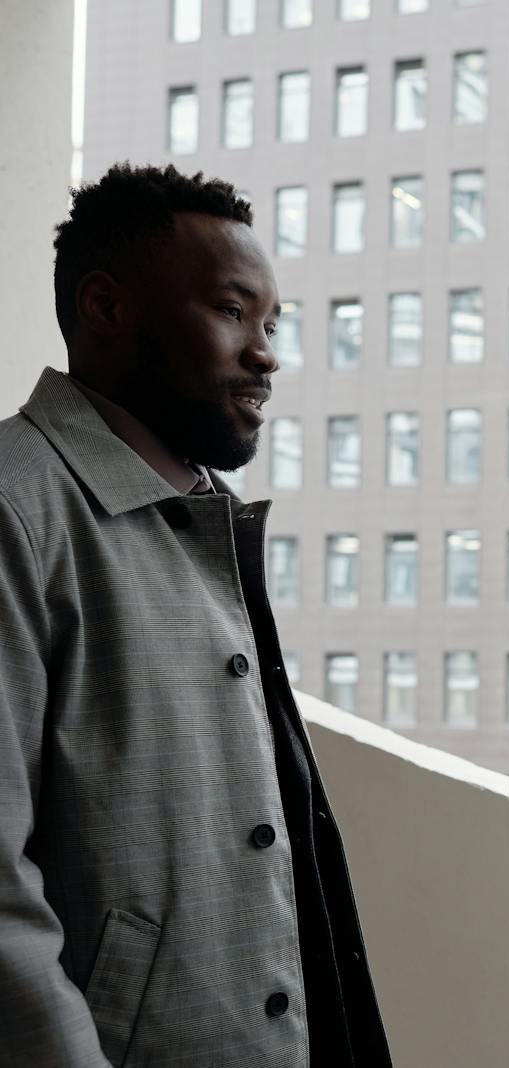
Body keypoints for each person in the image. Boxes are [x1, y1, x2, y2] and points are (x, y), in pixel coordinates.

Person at [0, 164, 391, 1066]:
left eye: (273, 324)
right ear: (107, 307)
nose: (267, 353)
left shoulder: (202, 515)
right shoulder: (18, 508)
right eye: (231, 312)